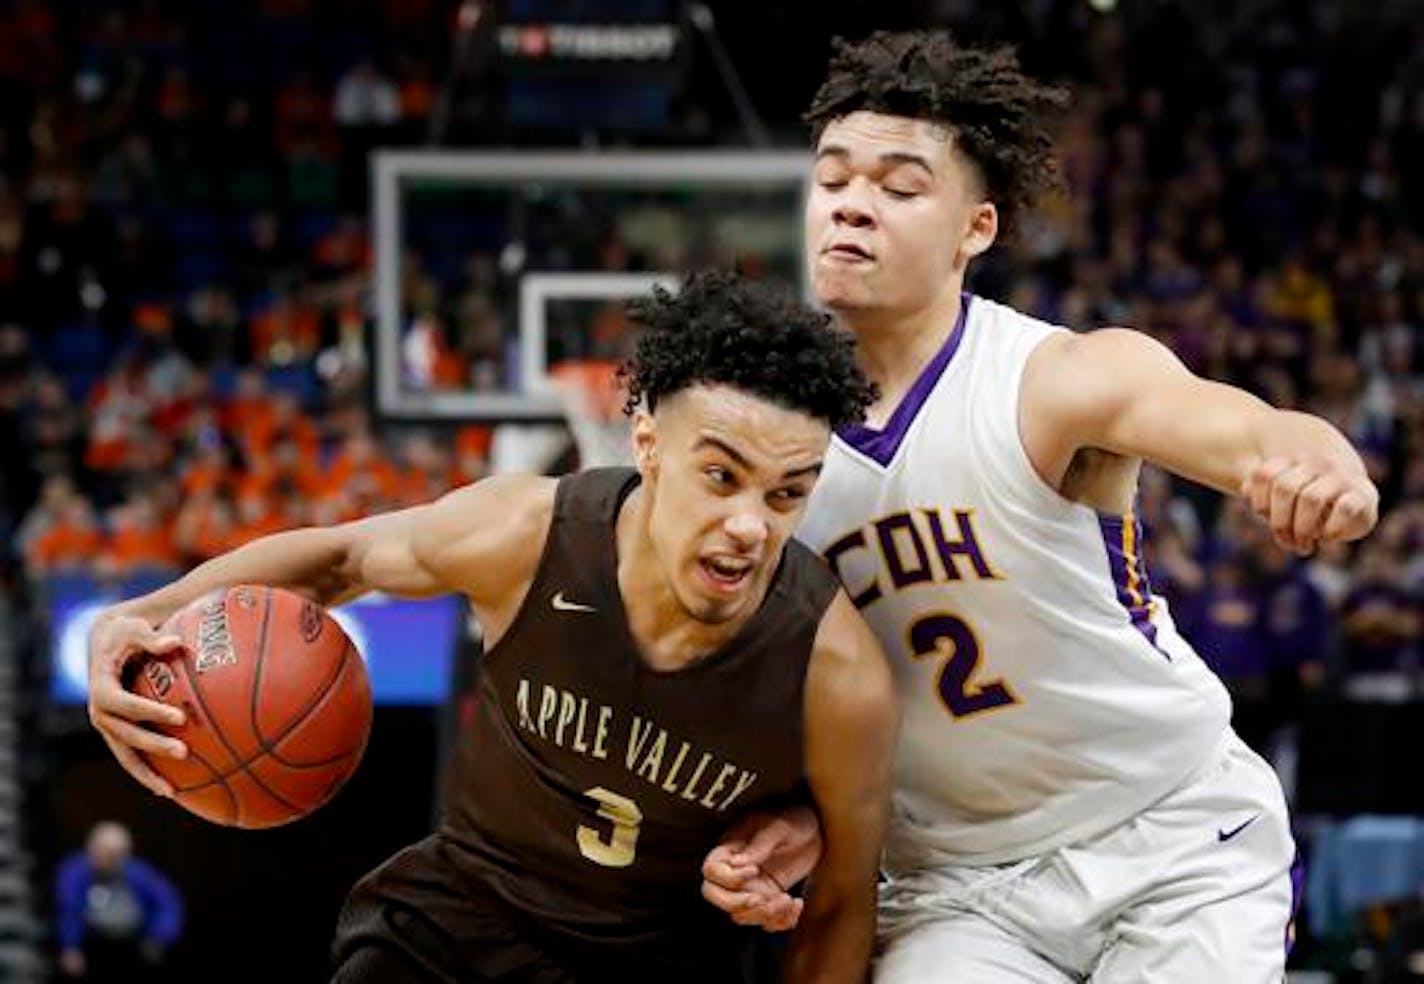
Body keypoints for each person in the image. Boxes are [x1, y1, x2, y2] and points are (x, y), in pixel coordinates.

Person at [703, 31, 1380, 982]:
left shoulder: (1052, 379)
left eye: (899, 188)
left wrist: (1315, 461)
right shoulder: (766, 445)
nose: (853, 204)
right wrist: (791, 822)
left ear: (975, 230)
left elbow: (1235, 423)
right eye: (834, 178)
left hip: (1168, 840)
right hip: (955, 886)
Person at [85, 270, 898, 983]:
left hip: (661, 961)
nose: (751, 525)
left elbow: (839, 907)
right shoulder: (524, 534)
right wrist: (139, 617)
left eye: (788, 494)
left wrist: (794, 836)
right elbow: (340, 560)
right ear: (647, 442)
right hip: (453, 930)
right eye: (721, 477)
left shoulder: (834, 671)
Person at [54, 820, 183, 983]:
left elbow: (168, 904)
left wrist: (159, 936)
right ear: (91, 848)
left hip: (134, 946)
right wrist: (70, 946)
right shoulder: (74, 872)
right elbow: (67, 910)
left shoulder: (140, 873)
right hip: (93, 947)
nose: (112, 859)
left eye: (118, 854)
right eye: (106, 852)